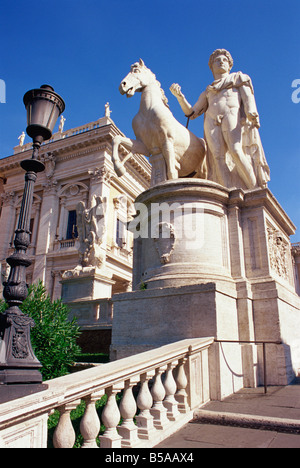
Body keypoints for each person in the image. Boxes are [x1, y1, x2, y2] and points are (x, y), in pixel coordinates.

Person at [170, 49, 270, 189]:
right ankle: (227, 193)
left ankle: (255, 190)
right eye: (217, 60)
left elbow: (248, 97)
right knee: (218, 159)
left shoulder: (238, 78)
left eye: (224, 60)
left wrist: (251, 112)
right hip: (211, 120)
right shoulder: (208, 91)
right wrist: (180, 98)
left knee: (235, 150)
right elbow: (191, 113)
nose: (221, 62)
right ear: (211, 66)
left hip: (231, 113)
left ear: (229, 65)